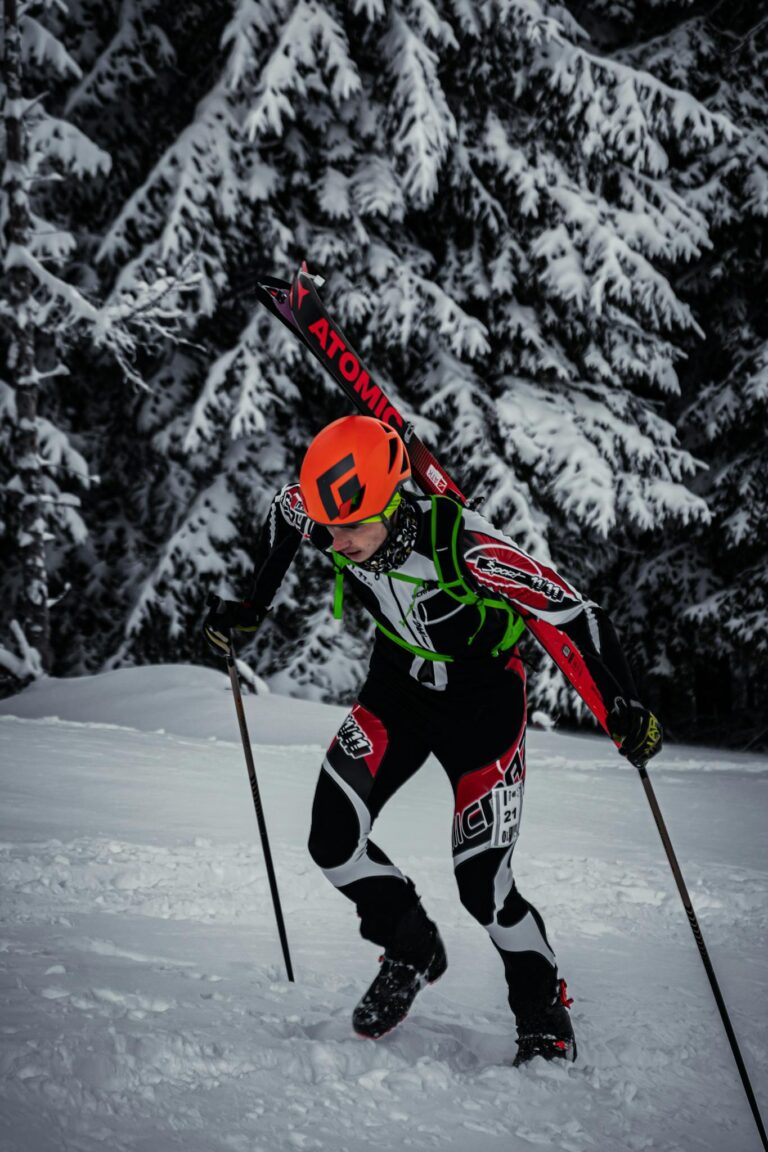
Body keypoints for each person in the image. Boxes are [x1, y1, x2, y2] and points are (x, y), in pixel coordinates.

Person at [203, 414, 662, 1065]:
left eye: (354, 524)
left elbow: (575, 615)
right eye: (331, 528)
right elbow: (288, 511)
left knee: (485, 887)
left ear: (392, 498)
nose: (339, 541)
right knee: (331, 840)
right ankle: (409, 943)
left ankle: (540, 1005)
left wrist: (621, 705)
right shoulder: (334, 517)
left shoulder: (470, 545)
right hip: (398, 691)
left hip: (483, 706)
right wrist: (252, 606)